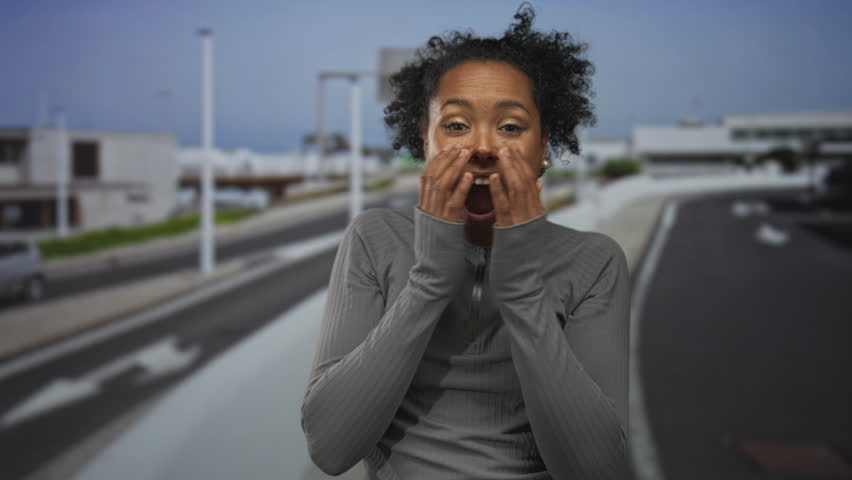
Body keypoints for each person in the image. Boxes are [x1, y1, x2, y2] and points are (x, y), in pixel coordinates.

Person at [301, 4, 632, 479]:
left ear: (544, 147)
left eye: (511, 127)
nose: (481, 147)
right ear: (424, 141)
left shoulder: (593, 262)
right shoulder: (375, 239)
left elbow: (595, 469)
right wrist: (431, 277)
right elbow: (330, 449)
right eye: (455, 125)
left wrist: (520, 287)